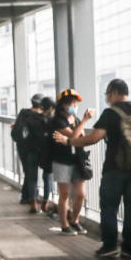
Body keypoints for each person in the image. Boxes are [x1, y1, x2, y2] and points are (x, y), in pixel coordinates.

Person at [53, 78, 131, 258]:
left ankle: (109, 246)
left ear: (114, 93)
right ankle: (130, 247)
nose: (107, 97)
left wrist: (69, 141)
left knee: (109, 207)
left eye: (107, 94)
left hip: (115, 169)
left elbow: (93, 138)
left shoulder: (110, 113)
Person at [46, 89, 89, 236]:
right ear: (63, 105)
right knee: (64, 194)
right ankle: (64, 224)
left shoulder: (75, 119)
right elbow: (75, 136)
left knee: (80, 194)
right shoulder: (57, 121)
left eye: (76, 103)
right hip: (61, 161)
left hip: (77, 160)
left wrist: (79, 127)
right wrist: (84, 121)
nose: (74, 105)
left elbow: (80, 138)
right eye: (71, 103)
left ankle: (74, 220)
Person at [12, 93, 49, 212]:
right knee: (46, 176)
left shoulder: (24, 113)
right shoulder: (44, 116)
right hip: (41, 150)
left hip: (24, 149)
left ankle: (31, 201)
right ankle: (44, 201)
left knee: (30, 175)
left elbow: (16, 130)